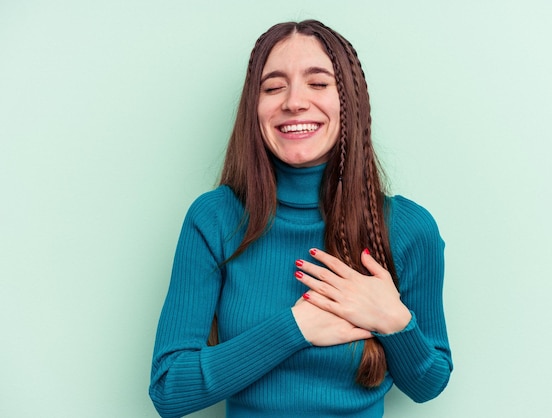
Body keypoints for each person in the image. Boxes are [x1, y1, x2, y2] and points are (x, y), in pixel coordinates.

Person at [149, 19, 452, 418]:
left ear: (349, 101)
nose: (294, 101)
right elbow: (170, 389)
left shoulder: (408, 228)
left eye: (318, 83)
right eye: (273, 87)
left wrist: (395, 321)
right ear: (253, 108)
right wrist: (296, 328)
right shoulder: (214, 220)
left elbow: (428, 383)